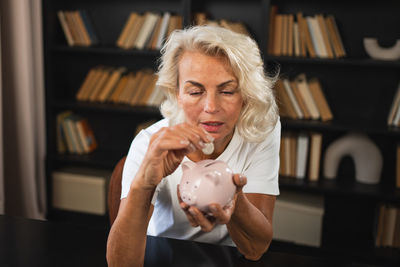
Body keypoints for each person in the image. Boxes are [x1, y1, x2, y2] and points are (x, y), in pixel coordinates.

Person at [106, 25, 281, 266]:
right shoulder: (150, 143)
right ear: (177, 93)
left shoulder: (260, 130)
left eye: (227, 91)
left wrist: (233, 196)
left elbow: (255, 249)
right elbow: (121, 264)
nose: (211, 107)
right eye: (195, 91)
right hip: (163, 257)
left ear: (247, 95)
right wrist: (144, 181)